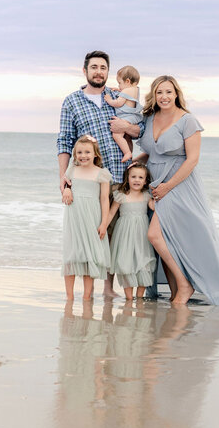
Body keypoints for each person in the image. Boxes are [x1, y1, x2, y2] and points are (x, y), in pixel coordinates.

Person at [135, 75, 219, 307]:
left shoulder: (188, 121)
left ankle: (186, 285)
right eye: (159, 92)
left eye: (168, 92)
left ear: (176, 93)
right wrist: (134, 164)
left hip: (179, 183)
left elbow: (192, 160)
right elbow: (153, 152)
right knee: (167, 238)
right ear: (153, 96)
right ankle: (177, 291)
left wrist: (167, 186)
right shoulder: (148, 118)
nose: (164, 97)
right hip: (155, 183)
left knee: (155, 235)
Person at [57, 50, 141, 296]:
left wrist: (126, 126)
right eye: (94, 67)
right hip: (87, 181)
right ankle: (86, 289)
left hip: (120, 176)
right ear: (85, 71)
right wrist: (64, 180)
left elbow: (141, 129)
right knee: (90, 231)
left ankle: (108, 288)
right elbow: (64, 141)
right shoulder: (72, 101)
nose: (98, 71)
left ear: (108, 71)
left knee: (116, 233)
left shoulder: (119, 96)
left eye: (103, 67)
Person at [62, 135, 113, 301]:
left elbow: (104, 199)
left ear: (95, 154)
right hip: (74, 216)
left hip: (92, 217)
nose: (83, 156)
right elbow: (65, 186)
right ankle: (69, 297)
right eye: (79, 152)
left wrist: (104, 223)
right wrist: (67, 190)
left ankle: (86, 296)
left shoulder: (102, 174)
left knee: (88, 255)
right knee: (72, 254)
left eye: (87, 152)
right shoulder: (71, 170)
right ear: (75, 155)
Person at [101, 162, 157, 301]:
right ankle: (129, 298)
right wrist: (103, 227)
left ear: (145, 181)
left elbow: (155, 207)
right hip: (124, 234)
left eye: (140, 177)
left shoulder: (146, 196)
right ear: (127, 178)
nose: (136, 180)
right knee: (126, 262)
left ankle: (139, 298)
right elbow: (111, 213)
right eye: (133, 177)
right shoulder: (120, 195)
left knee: (143, 262)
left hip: (141, 235)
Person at [104, 65, 144, 163]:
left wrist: (109, 100)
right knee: (127, 137)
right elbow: (125, 94)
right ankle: (129, 156)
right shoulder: (135, 89)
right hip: (134, 117)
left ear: (127, 81)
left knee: (117, 135)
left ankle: (127, 153)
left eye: (120, 83)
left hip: (126, 117)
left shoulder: (126, 90)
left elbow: (118, 103)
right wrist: (119, 90)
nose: (119, 86)